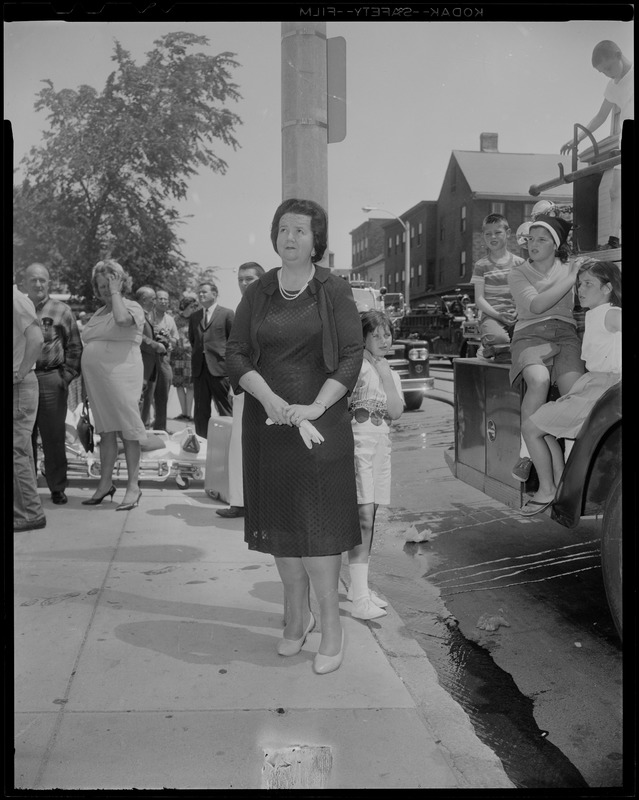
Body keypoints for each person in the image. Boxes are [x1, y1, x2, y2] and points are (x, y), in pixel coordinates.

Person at [227, 198, 363, 675]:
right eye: (283, 229)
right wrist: (268, 400)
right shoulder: (259, 291)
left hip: (320, 427)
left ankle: (331, 627)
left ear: (316, 240)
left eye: (300, 230)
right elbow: (237, 354)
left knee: (318, 531)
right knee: (284, 533)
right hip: (269, 425)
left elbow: (351, 355)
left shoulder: (334, 289)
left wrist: (317, 405)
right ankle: (295, 616)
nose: (290, 237)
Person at [518, 260, 621, 516]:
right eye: (579, 283)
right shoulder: (595, 313)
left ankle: (548, 489)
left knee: (532, 428)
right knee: (541, 428)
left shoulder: (612, 313)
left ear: (607, 287)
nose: (581, 289)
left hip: (603, 385)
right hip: (592, 383)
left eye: (588, 284)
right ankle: (560, 482)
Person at [508, 215, 585, 513]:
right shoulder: (518, 273)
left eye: (542, 239)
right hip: (529, 334)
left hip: (565, 334)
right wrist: (571, 276)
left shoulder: (571, 267)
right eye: (530, 239)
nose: (533, 244)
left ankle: (566, 475)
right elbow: (537, 305)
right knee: (538, 381)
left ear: (556, 244)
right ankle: (529, 456)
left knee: (576, 395)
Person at [346, 310, 404, 619]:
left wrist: (385, 377)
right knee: (363, 517)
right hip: (359, 444)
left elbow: (396, 412)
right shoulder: (356, 366)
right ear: (363, 337)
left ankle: (360, 588)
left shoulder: (389, 371)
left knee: (372, 515)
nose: (384, 340)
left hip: (382, 445)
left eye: (388, 334)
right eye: (376, 334)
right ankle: (358, 601)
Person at [80, 260, 147, 510]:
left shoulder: (131, 306)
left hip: (123, 374)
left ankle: (133, 486)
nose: (104, 290)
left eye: (109, 285)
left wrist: (117, 293)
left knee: (129, 430)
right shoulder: (98, 313)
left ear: (120, 283)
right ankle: (105, 483)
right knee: (106, 431)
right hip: (98, 381)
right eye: (100, 286)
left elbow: (121, 321)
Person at [20, 263, 83, 505]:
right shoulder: (17, 307)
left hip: (50, 379)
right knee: (24, 436)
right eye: (33, 280)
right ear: (24, 282)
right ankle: (27, 488)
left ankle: (57, 487)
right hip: (22, 379)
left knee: (54, 437)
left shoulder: (62, 310)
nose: (38, 284)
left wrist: (64, 377)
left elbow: (75, 347)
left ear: (49, 283)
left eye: (42, 280)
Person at [560, 41, 633, 249]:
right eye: (603, 72)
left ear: (619, 55)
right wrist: (578, 139)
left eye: (609, 68)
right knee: (615, 190)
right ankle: (614, 239)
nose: (608, 74)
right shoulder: (612, 86)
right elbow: (600, 116)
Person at [216, 262, 266, 519]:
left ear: (261, 280)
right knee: (239, 444)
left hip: (269, 387)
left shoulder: (272, 307)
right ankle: (239, 501)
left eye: (249, 278)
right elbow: (235, 351)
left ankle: (263, 502)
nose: (244, 283)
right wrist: (234, 383)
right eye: (240, 279)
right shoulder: (240, 310)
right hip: (243, 387)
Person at [14, 281, 46, 531]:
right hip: (19, 383)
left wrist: (19, 373)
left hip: (18, 385)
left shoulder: (15, 300)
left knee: (17, 451)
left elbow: (37, 340)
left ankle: (29, 513)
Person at [470, 213, 524, 361]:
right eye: (488, 234)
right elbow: (479, 299)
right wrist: (498, 315)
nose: (493, 237)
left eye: (497, 232)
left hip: (516, 314)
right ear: (483, 236)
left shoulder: (519, 263)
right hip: (493, 315)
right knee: (500, 341)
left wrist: (518, 311)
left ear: (508, 233)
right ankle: (488, 345)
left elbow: (524, 293)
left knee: (527, 340)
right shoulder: (481, 265)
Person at [189, 280, 234, 438]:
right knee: (201, 410)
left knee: (225, 409)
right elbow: (193, 341)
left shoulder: (227, 314)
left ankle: (231, 442)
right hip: (200, 370)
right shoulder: (194, 317)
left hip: (220, 369)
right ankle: (202, 442)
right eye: (199, 292)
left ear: (214, 294)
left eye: (204, 292)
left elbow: (233, 341)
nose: (201, 295)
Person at [135, 287, 167, 430]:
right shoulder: (138, 314)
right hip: (142, 364)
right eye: (153, 298)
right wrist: (156, 345)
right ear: (144, 299)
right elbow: (138, 336)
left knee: (147, 401)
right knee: (140, 401)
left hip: (150, 365)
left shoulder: (148, 315)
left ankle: (142, 430)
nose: (156, 301)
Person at [148, 289, 178, 431]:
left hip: (164, 359)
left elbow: (175, 341)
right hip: (148, 359)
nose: (164, 301)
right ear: (154, 300)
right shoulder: (147, 316)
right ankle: (143, 426)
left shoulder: (170, 319)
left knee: (162, 396)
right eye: (161, 298)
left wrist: (167, 338)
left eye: (166, 299)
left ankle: (160, 428)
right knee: (145, 395)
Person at [171, 294, 199, 420]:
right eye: (191, 306)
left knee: (191, 385)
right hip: (177, 355)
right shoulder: (175, 320)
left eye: (195, 306)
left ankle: (189, 413)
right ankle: (184, 413)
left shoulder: (197, 320)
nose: (193, 308)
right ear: (185, 306)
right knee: (179, 384)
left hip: (191, 356)